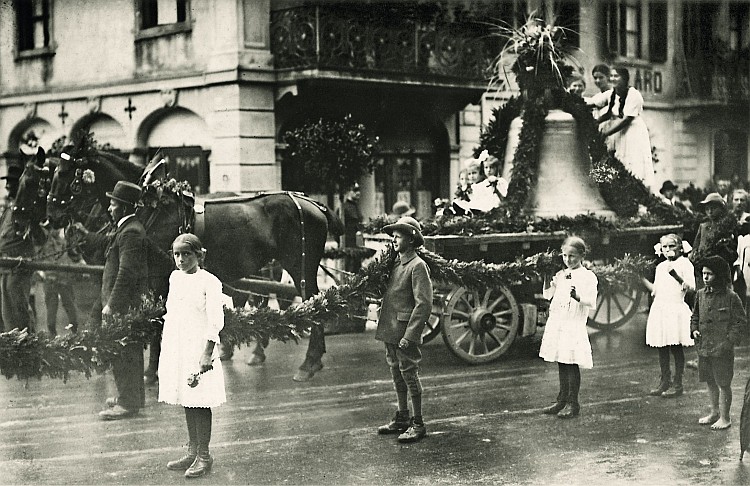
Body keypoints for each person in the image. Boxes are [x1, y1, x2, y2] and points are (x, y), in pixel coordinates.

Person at [74, 181, 149, 420]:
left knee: (121, 350)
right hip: (117, 299)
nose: (109, 207)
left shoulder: (131, 232)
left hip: (122, 303)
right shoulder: (126, 228)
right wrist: (84, 235)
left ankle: (128, 403)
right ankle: (133, 396)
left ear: (125, 207)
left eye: (113, 203)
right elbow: (107, 245)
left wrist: (112, 305)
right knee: (129, 349)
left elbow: (127, 272)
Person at [159, 233, 225, 478]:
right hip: (180, 345)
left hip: (199, 347)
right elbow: (174, 312)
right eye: (176, 254)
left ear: (199, 255)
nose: (181, 259)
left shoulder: (210, 282)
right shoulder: (175, 278)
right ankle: (193, 450)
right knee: (188, 397)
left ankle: (204, 455)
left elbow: (215, 320)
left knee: (201, 399)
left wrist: (207, 353)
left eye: (186, 254)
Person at [376, 216, 433, 443]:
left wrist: (410, 335)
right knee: (396, 372)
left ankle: (418, 423)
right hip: (390, 329)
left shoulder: (417, 266)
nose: (394, 239)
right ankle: (402, 417)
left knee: (409, 373)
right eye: (393, 235)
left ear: (411, 239)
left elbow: (424, 303)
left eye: (398, 235)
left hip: (403, 332)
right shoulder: (396, 263)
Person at [539, 236, 598, 419]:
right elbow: (548, 295)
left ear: (582, 255)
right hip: (560, 323)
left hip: (573, 324)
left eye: (572, 256)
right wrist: (547, 279)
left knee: (572, 364)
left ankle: (574, 404)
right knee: (562, 363)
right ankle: (561, 400)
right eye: (565, 256)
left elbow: (591, 301)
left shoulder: (588, 276)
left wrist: (577, 296)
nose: (568, 260)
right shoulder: (561, 275)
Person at [690, 256, 745, 430]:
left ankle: (725, 417)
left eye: (710, 274)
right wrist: (694, 330)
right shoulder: (700, 294)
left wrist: (729, 342)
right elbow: (695, 316)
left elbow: (740, 321)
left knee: (723, 383)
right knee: (710, 381)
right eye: (704, 273)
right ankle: (714, 412)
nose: (705, 277)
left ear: (719, 276)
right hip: (705, 347)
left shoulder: (731, 297)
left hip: (722, 350)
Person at [641, 234, 695, 398]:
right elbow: (655, 290)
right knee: (662, 346)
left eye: (672, 246)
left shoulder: (685, 264)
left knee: (675, 347)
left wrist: (679, 279)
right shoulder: (661, 266)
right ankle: (665, 380)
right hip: (661, 308)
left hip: (675, 309)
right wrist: (640, 278)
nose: (668, 250)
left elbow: (691, 286)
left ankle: (678, 383)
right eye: (665, 247)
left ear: (680, 247)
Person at [595, 66, 656, 192]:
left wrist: (607, 133)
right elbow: (607, 113)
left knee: (634, 161)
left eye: (616, 76)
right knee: (621, 161)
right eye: (611, 76)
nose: (612, 79)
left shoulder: (634, 95)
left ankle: (637, 191)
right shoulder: (612, 94)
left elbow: (626, 119)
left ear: (625, 79)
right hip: (621, 133)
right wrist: (596, 122)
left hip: (633, 132)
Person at [0, 163, 36, 333]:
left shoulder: (26, 210)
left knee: (19, 308)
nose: (7, 186)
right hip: (5, 267)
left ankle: (28, 343)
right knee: (7, 311)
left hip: (19, 266)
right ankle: (13, 347)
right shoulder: (8, 210)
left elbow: (39, 236)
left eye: (11, 183)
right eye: (7, 182)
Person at [39, 227, 81, 336]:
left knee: (70, 307)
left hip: (64, 278)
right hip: (51, 278)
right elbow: (38, 255)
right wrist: (42, 272)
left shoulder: (65, 235)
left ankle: (75, 334)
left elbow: (75, 254)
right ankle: (52, 337)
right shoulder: (43, 236)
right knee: (51, 311)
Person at [341, 183, 362, 273]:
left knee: (357, 267)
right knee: (349, 268)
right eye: (355, 190)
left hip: (357, 242)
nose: (358, 193)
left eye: (358, 190)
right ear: (348, 192)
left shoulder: (356, 206)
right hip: (348, 242)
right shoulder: (344, 208)